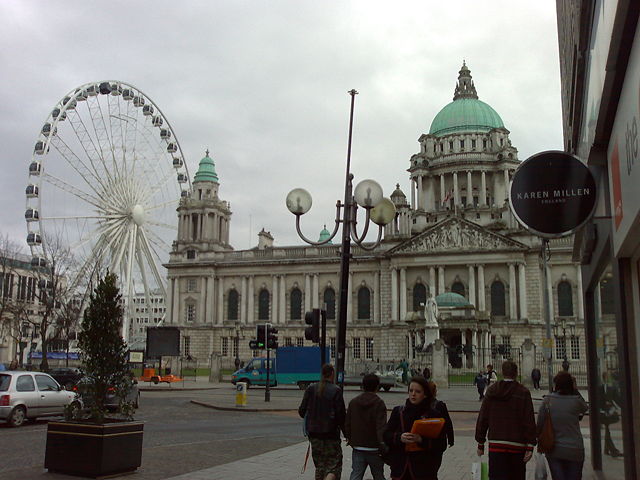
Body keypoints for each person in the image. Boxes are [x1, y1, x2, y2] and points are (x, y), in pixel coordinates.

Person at [383, 376, 454, 480]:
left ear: (425, 394)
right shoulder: (398, 412)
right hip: (401, 469)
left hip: (424, 470)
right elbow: (386, 435)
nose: (413, 394)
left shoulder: (434, 414)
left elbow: (441, 444)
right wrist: (399, 437)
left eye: (417, 391)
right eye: (411, 390)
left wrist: (421, 440)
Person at [475, 360, 536, 480]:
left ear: (503, 373)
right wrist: (530, 445)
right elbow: (528, 419)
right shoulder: (523, 392)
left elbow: (483, 417)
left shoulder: (492, 391)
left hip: (496, 443)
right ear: (516, 373)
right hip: (517, 444)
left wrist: (480, 442)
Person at [537, 371, 588, 480]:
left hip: (554, 449)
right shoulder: (576, 401)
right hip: (575, 449)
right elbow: (585, 408)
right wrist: (575, 389)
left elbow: (539, 425)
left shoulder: (547, 400)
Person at [299, 364, 346, 480]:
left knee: (320, 466)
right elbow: (341, 416)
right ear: (332, 374)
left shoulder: (311, 389)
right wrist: (347, 434)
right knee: (334, 466)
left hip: (314, 434)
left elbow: (301, 411)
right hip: (331, 435)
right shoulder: (336, 390)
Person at [345, 373, 388, 480]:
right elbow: (381, 427)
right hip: (374, 448)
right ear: (377, 387)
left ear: (363, 386)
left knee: (356, 475)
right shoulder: (379, 403)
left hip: (358, 446)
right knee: (378, 475)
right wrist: (383, 445)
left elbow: (347, 424)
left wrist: (350, 439)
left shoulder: (353, 403)